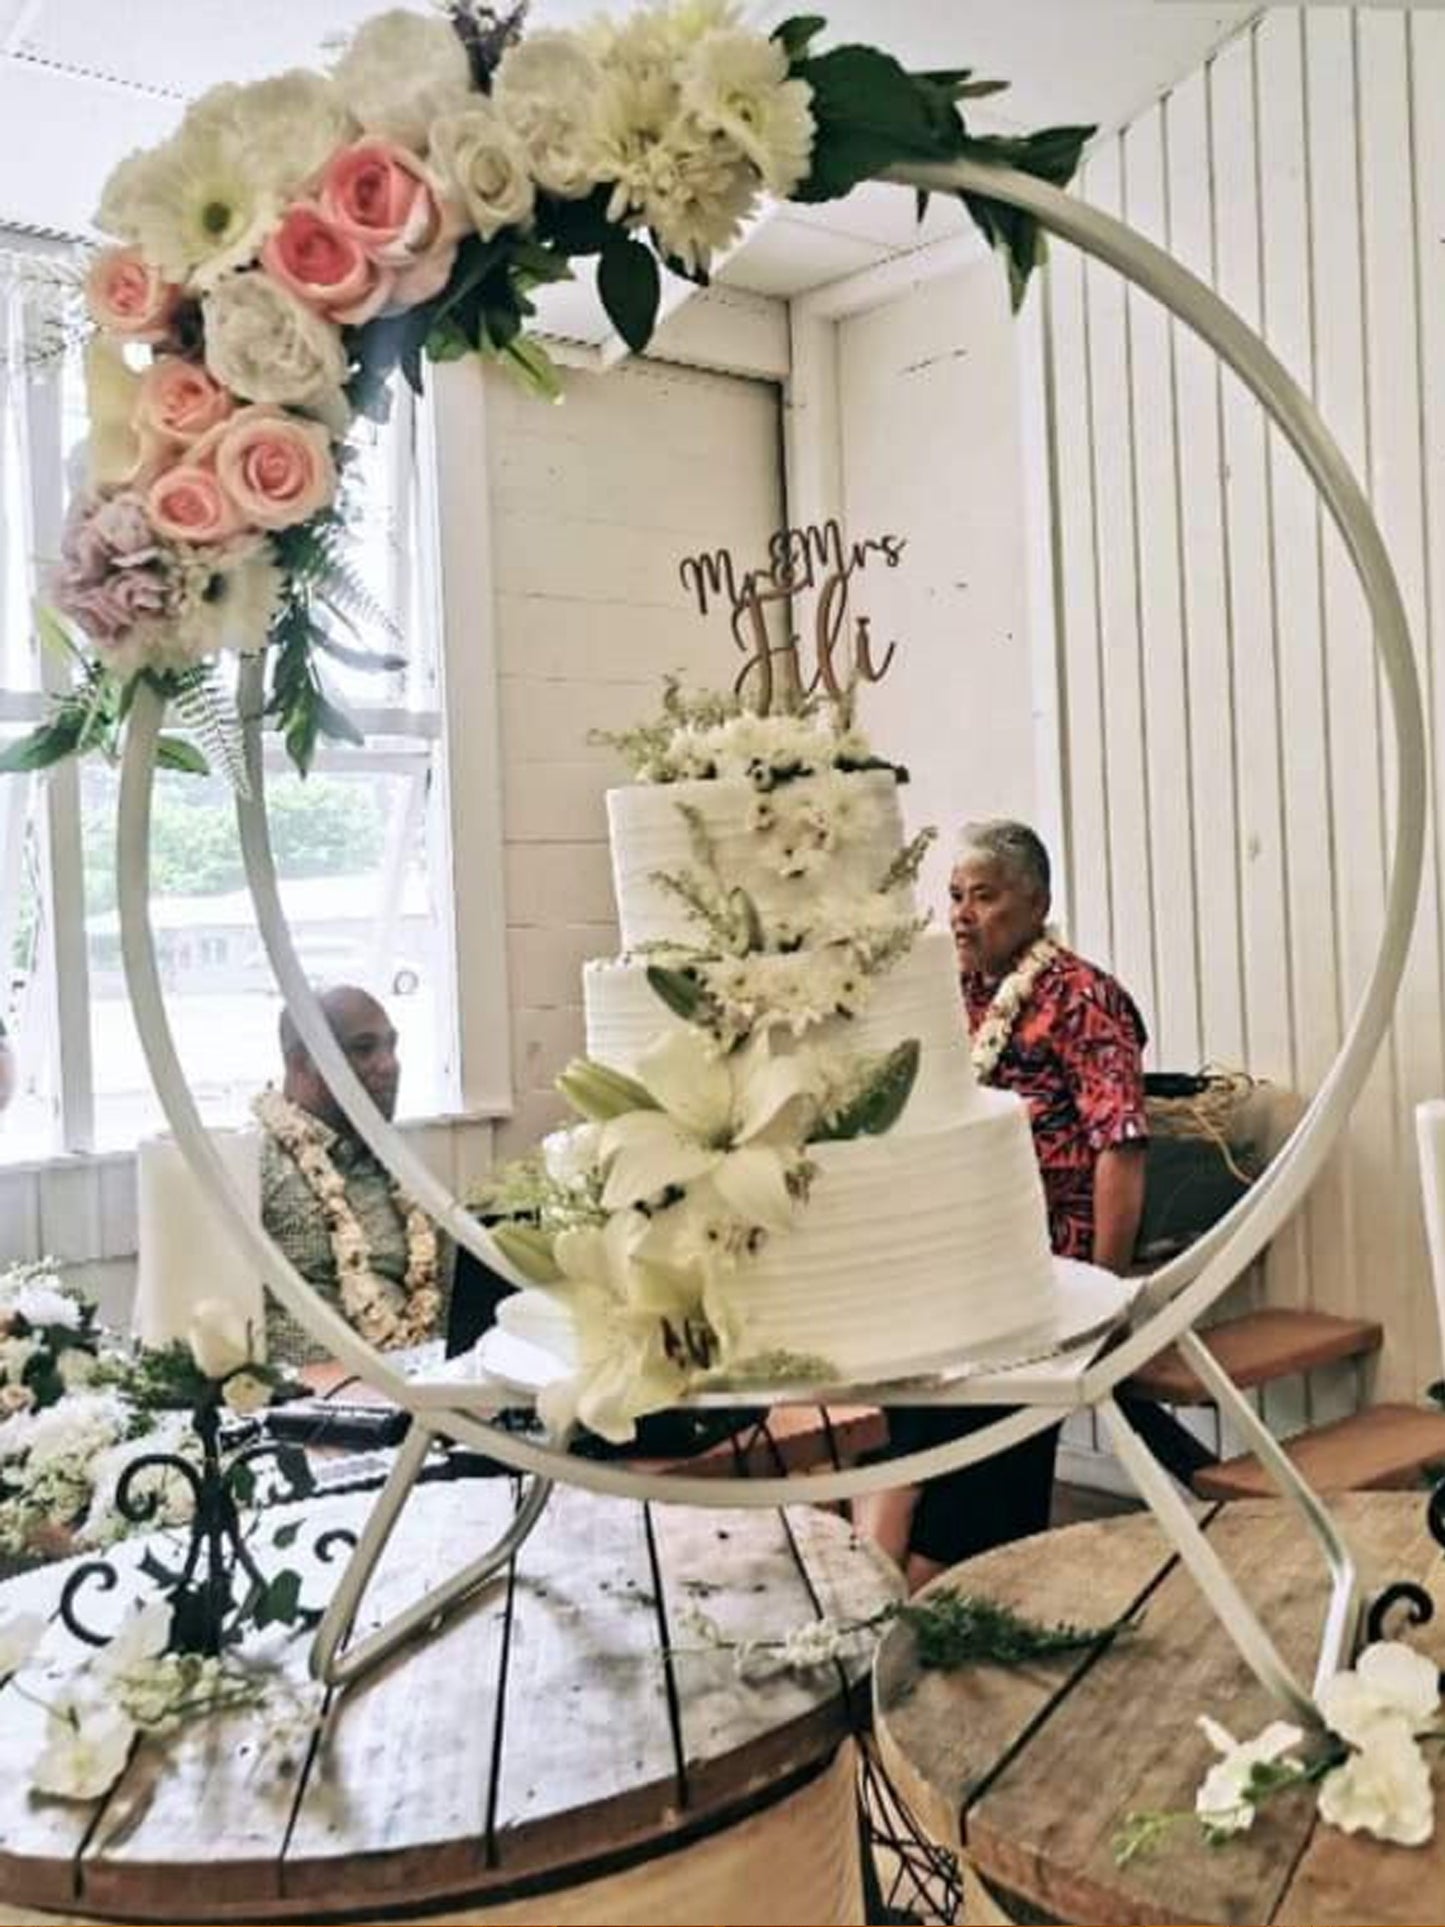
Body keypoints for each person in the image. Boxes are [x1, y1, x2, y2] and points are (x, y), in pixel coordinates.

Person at [857, 820, 1149, 1590]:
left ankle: (931, 1602)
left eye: (982, 896)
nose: (960, 913)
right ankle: (881, 1595)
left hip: (1042, 1273)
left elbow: (1118, 1144)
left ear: (1036, 903)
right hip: (953, 1256)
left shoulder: (1083, 997)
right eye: (954, 895)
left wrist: (1106, 1294)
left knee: (991, 1456)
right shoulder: (952, 995)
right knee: (920, 1433)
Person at [254, 984, 451, 1368]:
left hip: (423, 1388)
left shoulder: (397, 1168)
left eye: (391, 1046)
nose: (389, 1064)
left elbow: (445, 1292)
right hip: (312, 1403)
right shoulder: (258, 1164)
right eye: (364, 1049)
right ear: (300, 1064)